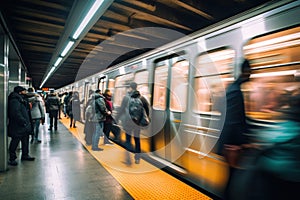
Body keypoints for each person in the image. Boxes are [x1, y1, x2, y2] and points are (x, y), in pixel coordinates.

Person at [217, 59, 251, 199]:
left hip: (230, 143)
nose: (251, 75)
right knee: (232, 179)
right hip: (231, 144)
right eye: (250, 71)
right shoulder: (235, 91)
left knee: (232, 178)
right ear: (245, 72)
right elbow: (232, 121)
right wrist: (240, 144)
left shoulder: (232, 88)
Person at [116, 82, 150, 165]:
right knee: (137, 140)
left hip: (128, 123)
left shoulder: (126, 98)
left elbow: (121, 110)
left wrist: (116, 119)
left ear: (130, 88)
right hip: (137, 123)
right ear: (136, 87)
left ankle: (128, 159)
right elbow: (147, 108)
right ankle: (137, 158)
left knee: (128, 140)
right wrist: (146, 119)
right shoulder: (142, 98)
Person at [7, 86, 35, 166]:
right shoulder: (14, 100)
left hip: (24, 125)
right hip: (18, 125)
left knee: (25, 141)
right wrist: (23, 121)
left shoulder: (21, 99)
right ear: (20, 92)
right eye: (24, 91)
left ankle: (25, 155)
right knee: (15, 141)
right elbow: (15, 113)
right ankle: (12, 158)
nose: (26, 92)